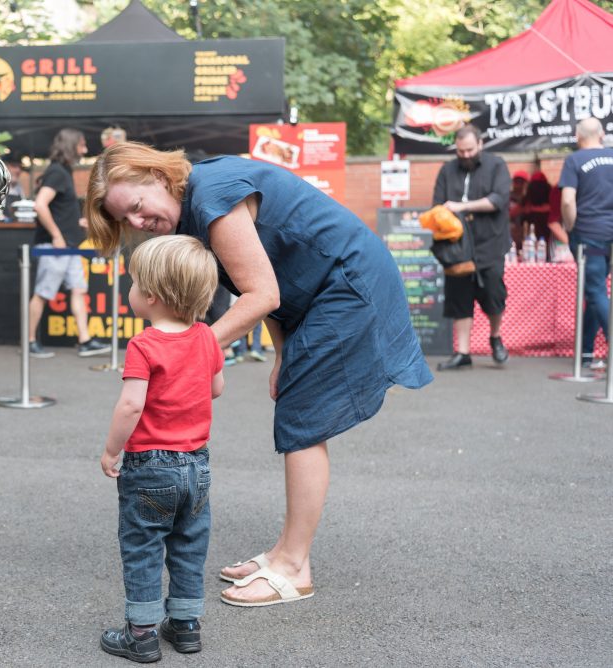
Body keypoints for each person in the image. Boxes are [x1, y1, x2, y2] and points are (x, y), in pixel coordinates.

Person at [86, 142, 432, 608]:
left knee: (303, 422)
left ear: (159, 177)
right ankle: (284, 552)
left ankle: (294, 567)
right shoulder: (195, 206)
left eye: (136, 208)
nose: (136, 224)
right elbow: (271, 275)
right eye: (124, 220)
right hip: (313, 297)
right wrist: (283, 355)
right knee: (296, 406)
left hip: (347, 285)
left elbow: (262, 292)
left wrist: (189, 350)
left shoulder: (210, 196)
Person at [99, 235, 223, 662]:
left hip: (150, 464)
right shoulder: (206, 337)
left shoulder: (144, 345)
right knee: (190, 543)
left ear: (149, 296)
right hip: (197, 465)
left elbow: (132, 404)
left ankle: (142, 633)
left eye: (132, 283)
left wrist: (111, 450)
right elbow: (216, 388)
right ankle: (186, 626)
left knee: (143, 545)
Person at [432, 124, 512, 370]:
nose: (465, 155)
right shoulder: (447, 170)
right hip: (456, 247)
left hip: (490, 243)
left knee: (493, 294)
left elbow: (498, 200)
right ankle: (463, 352)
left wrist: (462, 206)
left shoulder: (496, 165)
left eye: (469, 150)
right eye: (460, 151)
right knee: (459, 297)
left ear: (480, 144)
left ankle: (495, 336)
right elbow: (438, 204)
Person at [27, 128, 111, 358]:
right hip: (56, 247)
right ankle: (30, 341)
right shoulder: (57, 172)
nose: (85, 149)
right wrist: (56, 235)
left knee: (79, 290)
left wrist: (76, 222)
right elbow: (40, 205)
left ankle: (84, 340)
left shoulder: (62, 171)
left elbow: (56, 208)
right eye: (82, 145)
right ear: (72, 145)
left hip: (70, 246)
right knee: (43, 293)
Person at [559, 117, 613, 370]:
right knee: (595, 290)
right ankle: (587, 353)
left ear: (577, 136)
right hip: (609, 234)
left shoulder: (574, 160)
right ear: (601, 133)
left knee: (595, 291)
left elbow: (568, 201)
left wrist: (571, 227)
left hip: (589, 234)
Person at [509, 169, 529, 249]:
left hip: (525, 234)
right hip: (510, 232)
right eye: (517, 181)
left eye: (521, 182)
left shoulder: (528, 198)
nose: (519, 184)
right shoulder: (507, 197)